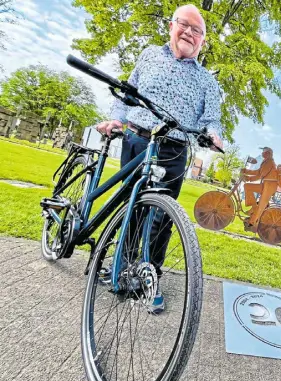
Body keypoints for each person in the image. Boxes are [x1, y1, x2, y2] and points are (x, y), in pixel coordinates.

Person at [96, 4, 223, 313]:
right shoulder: (150, 55)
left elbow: (213, 119)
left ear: (202, 41)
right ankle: (121, 265)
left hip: (175, 148)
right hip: (137, 139)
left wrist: (215, 134)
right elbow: (127, 95)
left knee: (162, 217)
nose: (190, 33)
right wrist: (116, 119)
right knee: (130, 208)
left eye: (197, 31)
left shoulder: (208, 81)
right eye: (185, 25)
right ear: (171, 25)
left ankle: (149, 275)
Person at [241, 147, 278, 230]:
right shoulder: (265, 162)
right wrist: (246, 171)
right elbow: (258, 172)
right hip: (265, 184)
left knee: (261, 205)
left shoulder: (269, 162)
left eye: (264, 152)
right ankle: (254, 207)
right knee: (247, 186)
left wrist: (248, 177)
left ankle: (253, 223)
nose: (262, 153)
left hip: (269, 186)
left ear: (268, 153)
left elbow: (260, 175)